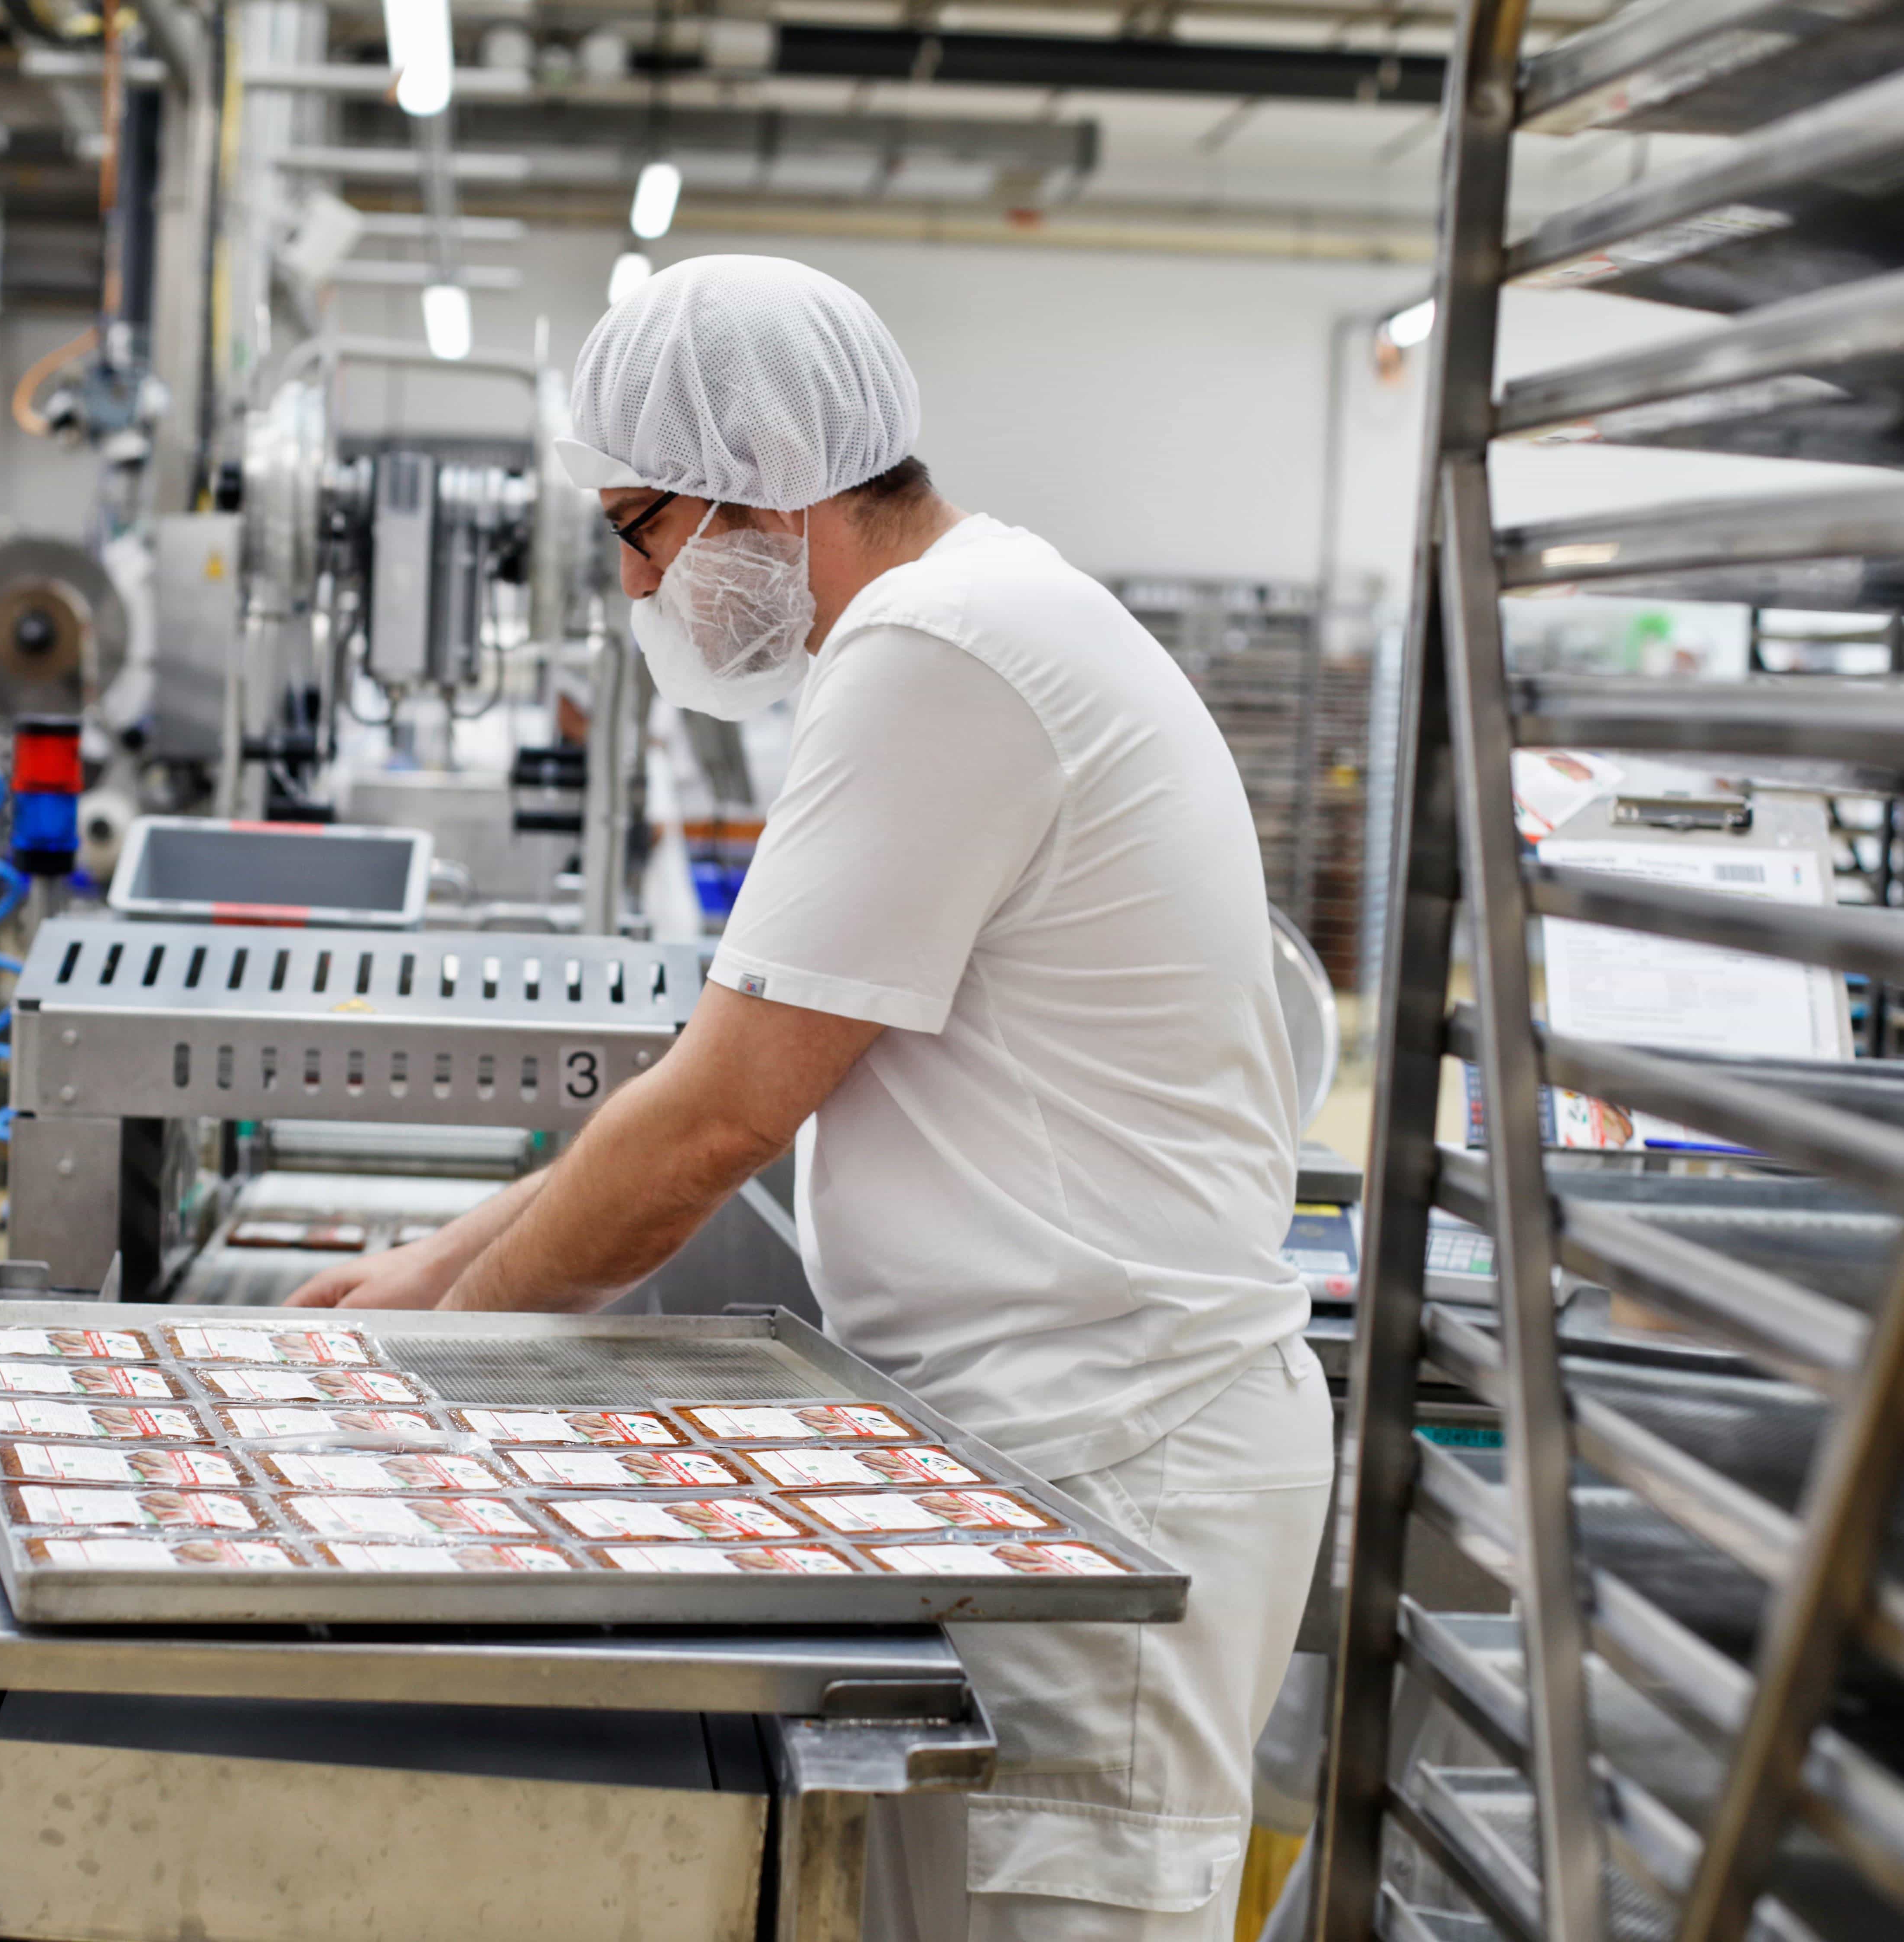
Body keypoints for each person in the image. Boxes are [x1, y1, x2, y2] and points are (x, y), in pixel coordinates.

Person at [288, 253, 1330, 1942]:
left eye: (639, 525)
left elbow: (719, 1123)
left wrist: (438, 1365)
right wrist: (435, 1266)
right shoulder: (977, 613)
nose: (638, 581)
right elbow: (737, 1059)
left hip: (1112, 1455)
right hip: (1061, 1439)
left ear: (760, 491)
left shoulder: (944, 651)